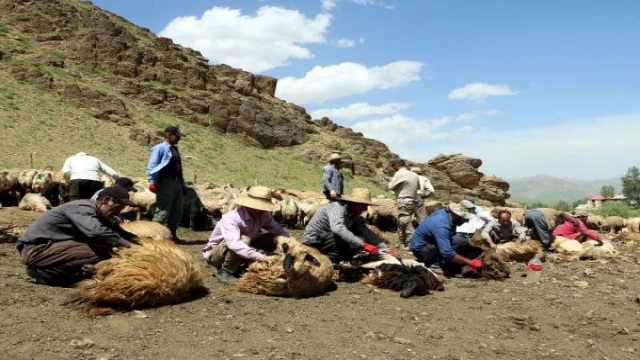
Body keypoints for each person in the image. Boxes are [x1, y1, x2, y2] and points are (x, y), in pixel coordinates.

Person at [16, 187, 138, 287]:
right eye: (117, 209)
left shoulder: (99, 213)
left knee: (102, 248)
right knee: (103, 251)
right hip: (36, 249)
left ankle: (60, 273)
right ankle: (46, 274)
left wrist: (142, 243)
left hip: (49, 247)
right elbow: (96, 231)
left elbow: (119, 231)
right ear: (105, 200)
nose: (118, 214)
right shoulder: (82, 208)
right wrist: (129, 246)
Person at [202, 186, 291, 284]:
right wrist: (263, 257)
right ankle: (225, 271)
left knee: (273, 238)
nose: (263, 210)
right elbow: (234, 244)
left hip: (245, 250)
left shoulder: (263, 215)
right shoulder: (232, 218)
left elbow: (279, 231)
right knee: (245, 239)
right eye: (260, 207)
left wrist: (292, 244)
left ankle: (244, 266)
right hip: (217, 255)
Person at [301, 188, 397, 264]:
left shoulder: (354, 214)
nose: (365, 208)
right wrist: (363, 245)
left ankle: (334, 258)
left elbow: (366, 232)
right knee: (355, 240)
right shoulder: (336, 208)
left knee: (360, 238)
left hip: (328, 240)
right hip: (314, 241)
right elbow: (338, 229)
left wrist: (385, 249)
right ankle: (320, 257)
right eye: (363, 205)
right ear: (354, 203)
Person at [409, 203, 483, 276]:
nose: (466, 221)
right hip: (422, 250)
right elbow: (447, 253)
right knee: (447, 252)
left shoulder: (445, 213)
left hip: (430, 242)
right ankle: (434, 265)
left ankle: (441, 260)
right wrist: (471, 262)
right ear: (457, 216)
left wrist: (471, 247)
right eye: (465, 219)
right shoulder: (442, 227)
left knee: (461, 240)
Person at [146, 125, 185, 242]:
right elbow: (152, 165)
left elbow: (179, 168)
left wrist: (182, 183)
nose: (179, 138)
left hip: (177, 183)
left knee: (177, 209)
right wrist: (151, 181)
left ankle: (172, 235)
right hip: (166, 182)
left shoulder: (174, 149)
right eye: (176, 136)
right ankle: (154, 236)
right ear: (168, 135)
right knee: (163, 209)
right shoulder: (160, 148)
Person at [387, 158, 420, 247]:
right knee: (407, 221)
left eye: (393, 166)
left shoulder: (399, 174)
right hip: (413, 200)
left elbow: (390, 186)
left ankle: (413, 244)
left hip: (404, 200)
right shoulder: (414, 175)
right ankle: (404, 242)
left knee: (406, 222)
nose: (393, 168)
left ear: (397, 165)